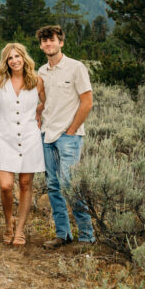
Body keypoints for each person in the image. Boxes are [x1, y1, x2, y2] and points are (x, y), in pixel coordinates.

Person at [37, 25, 94, 249]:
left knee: (71, 184)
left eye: (52, 40)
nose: (48, 44)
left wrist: (71, 130)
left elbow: (87, 102)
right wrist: (37, 114)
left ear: (61, 42)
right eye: (44, 41)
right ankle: (63, 234)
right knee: (52, 185)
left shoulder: (76, 68)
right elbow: (45, 101)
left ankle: (87, 236)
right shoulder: (42, 71)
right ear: (41, 46)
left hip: (68, 136)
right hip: (47, 135)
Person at [0, 43, 45, 246]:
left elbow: (49, 102)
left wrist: (39, 112)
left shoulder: (37, 82)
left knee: (25, 184)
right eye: (10, 58)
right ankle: (8, 223)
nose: (14, 60)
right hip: (5, 138)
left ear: (24, 58)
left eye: (17, 56)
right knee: (6, 186)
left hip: (30, 138)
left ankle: (20, 229)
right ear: (5, 61)